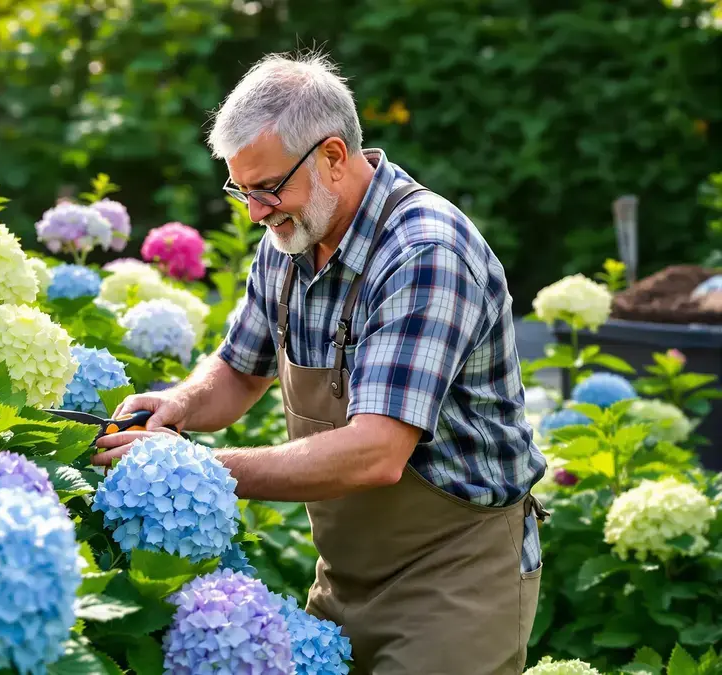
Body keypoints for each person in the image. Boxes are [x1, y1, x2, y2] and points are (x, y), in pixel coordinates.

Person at [93, 51, 548, 675]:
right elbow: (238, 371)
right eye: (241, 189)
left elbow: (376, 452)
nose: (254, 211)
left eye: (267, 187)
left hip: (458, 580)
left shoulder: (424, 254)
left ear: (332, 156)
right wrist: (179, 405)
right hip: (345, 576)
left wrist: (194, 470)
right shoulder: (290, 238)